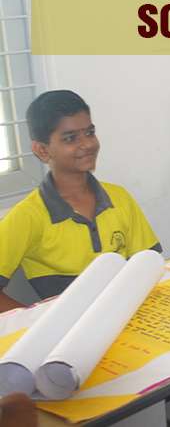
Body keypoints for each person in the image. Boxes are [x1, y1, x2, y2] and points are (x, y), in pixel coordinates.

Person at [0, 90, 161, 312]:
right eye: (70, 138)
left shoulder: (119, 198)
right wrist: (35, 320)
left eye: (89, 132)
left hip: (129, 316)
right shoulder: (28, 215)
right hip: (69, 332)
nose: (87, 144)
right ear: (42, 150)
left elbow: (149, 266)